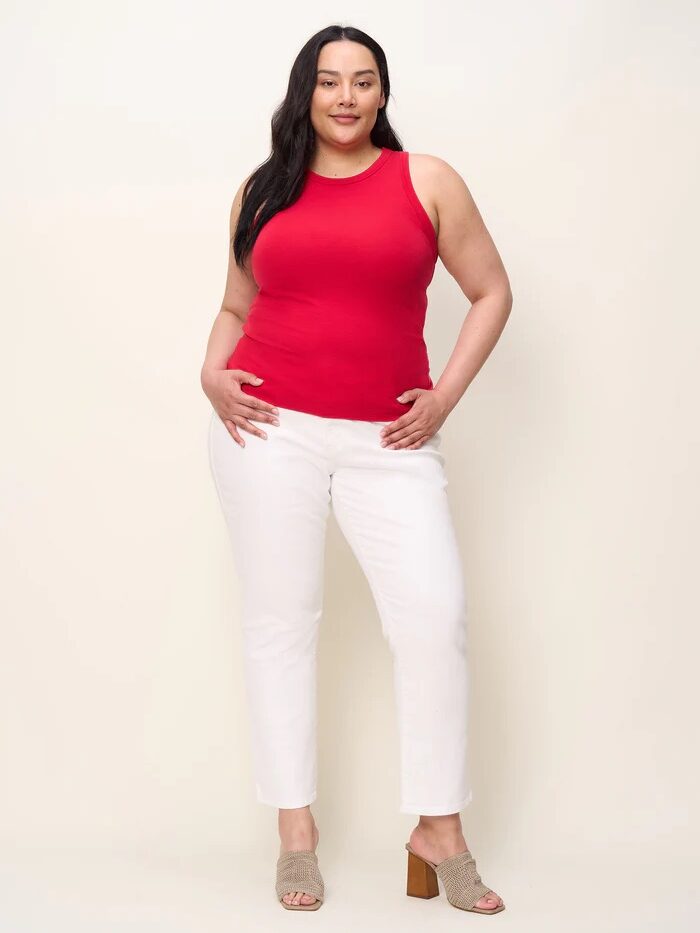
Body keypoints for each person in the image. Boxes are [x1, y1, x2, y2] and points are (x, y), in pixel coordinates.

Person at [201, 24, 512, 914]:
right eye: (329, 81)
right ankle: (295, 831)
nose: (345, 97)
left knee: (434, 617)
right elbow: (235, 304)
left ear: (383, 93)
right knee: (282, 623)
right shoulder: (263, 191)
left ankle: (437, 828)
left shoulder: (428, 182)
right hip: (267, 430)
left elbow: (492, 289)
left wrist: (442, 398)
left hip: (389, 440)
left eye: (362, 81)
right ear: (306, 91)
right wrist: (207, 370)